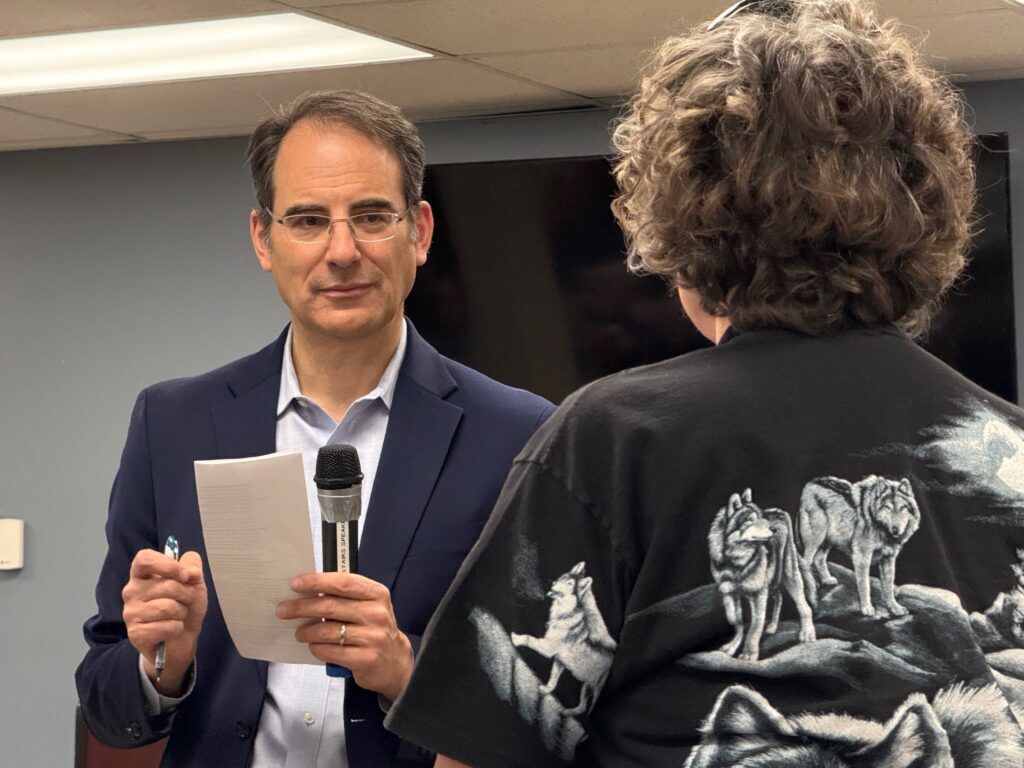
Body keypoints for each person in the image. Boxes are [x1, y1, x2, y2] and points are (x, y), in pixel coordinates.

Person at [385, 1, 1024, 765]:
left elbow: (482, 751)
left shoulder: (616, 437)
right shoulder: (1010, 443)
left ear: (684, 223)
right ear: (926, 207)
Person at [75, 90, 554, 767]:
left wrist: (404, 670)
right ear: (263, 240)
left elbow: (544, 703)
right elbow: (105, 697)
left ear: (418, 232)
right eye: (306, 220)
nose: (342, 250)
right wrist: (160, 664)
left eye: (370, 215)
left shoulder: (519, 435)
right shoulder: (173, 424)